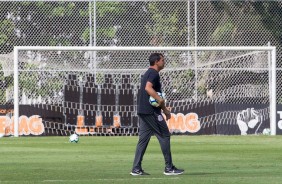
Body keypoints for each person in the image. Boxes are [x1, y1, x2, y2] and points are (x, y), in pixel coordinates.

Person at [130, 53, 184, 176]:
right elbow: (148, 88)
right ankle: (169, 168)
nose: (164, 62)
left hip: (144, 111)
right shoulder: (153, 73)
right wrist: (160, 101)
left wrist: (164, 109)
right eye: (162, 60)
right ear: (156, 62)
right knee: (165, 135)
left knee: (143, 140)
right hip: (150, 112)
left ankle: (136, 168)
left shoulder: (148, 73)